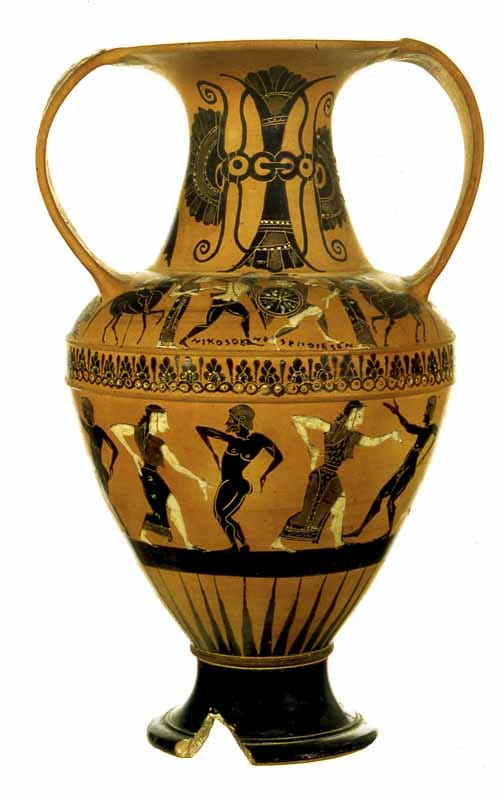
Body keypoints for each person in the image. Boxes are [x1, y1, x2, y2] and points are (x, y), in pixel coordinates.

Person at [272, 400, 401, 550]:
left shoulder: (352, 436)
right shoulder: (330, 428)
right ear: (352, 414)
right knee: (308, 513)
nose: (361, 421)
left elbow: (371, 442)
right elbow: (297, 419)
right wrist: (309, 445)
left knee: (340, 505)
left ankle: (338, 541)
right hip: (322, 477)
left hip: (330, 476)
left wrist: (389, 435)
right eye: (360, 416)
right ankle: (278, 541)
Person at [112, 405, 208, 548]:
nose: (167, 426)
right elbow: (115, 429)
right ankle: (144, 535)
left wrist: (197, 478)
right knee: (161, 509)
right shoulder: (140, 433)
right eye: (163, 421)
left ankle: (187, 544)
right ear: (154, 418)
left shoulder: (158, 442)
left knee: (173, 507)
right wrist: (132, 454)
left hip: (154, 476)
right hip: (148, 477)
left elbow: (175, 465)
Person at [346, 396, 438, 540]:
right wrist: (397, 413)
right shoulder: (424, 430)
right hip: (403, 468)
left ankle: (389, 532)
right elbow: (408, 427)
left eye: (427, 411)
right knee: (380, 496)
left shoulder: (429, 429)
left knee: (390, 501)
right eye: (426, 411)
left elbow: (413, 428)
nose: (424, 414)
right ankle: (360, 530)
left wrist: (431, 422)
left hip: (408, 470)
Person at [196, 405, 283, 552]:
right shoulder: (235, 440)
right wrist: (212, 451)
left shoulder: (254, 440)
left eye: (231, 419)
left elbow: (278, 456)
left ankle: (234, 546)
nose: (227, 423)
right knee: (223, 516)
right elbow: (201, 429)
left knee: (221, 516)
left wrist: (264, 474)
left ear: (241, 420)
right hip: (234, 483)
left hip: (232, 483)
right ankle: (243, 546)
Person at [79, 397, 118, 495]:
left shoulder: (95, 430)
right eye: (84, 411)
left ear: (89, 413)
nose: (85, 414)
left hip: (101, 470)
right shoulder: (93, 429)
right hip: (99, 470)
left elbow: (115, 449)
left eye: (86, 411)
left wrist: (111, 466)